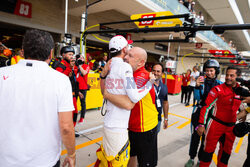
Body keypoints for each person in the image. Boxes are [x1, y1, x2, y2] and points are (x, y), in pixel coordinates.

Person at [0, 29, 76, 167]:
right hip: (45, 161)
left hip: (6, 160)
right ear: (51, 53)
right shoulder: (61, 80)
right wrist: (71, 154)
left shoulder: (2, 75)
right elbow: (66, 127)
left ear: (23, 51)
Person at [95, 36, 155, 167]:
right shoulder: (125, 68)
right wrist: (150, 83)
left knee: (108, 159)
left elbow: (103, 92)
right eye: (127, 50)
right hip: (118, 127)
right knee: (117, 162)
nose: (128, 54)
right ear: (123, 49)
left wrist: (104, 87)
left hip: (108, 123)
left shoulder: (109, 65)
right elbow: (133, 98)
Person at [196, 66, 242, 167]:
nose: (228, 77)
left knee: (225, 155)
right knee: (207, 153)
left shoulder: (241, 91)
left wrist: (243, 118)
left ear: (238, 77)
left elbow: (242, 107)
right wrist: (201, 124)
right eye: (227, 75)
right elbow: (206, 107)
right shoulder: (217, 89)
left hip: (231, 128)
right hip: (215, 125)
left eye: (232, 75)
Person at [185, 59, 222, 167]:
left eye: (211, 70)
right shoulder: (201, 82)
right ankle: (191, 158)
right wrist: (197, 86)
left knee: (205, 139)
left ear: (216, 71)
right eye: (207, 70)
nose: (209, 73)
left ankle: (200, 160)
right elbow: (197, 98)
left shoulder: (220, 84)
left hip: (211, 116)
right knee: (195, 137)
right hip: (198, 114)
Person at [152, 63, 169, 133]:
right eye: (154, 71)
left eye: (158, 71)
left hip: (157, 119)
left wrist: (166, 119)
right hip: (146, 119)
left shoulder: (164, 87)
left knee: (154, 140)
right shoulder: (146, 84)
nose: (155, 73)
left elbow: (165, 103)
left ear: (162, 74)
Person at [75, 54, 90, 124]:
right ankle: (74, 117)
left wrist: (80, 65)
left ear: (84, 59)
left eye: (82, 58)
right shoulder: (75, 66)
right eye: (79, 58)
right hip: (75, 88)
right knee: (74, 103)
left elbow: (84, 73)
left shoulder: (86, 66)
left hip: (83, 88)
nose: (80, 59)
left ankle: (82, 117)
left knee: (82, 103)